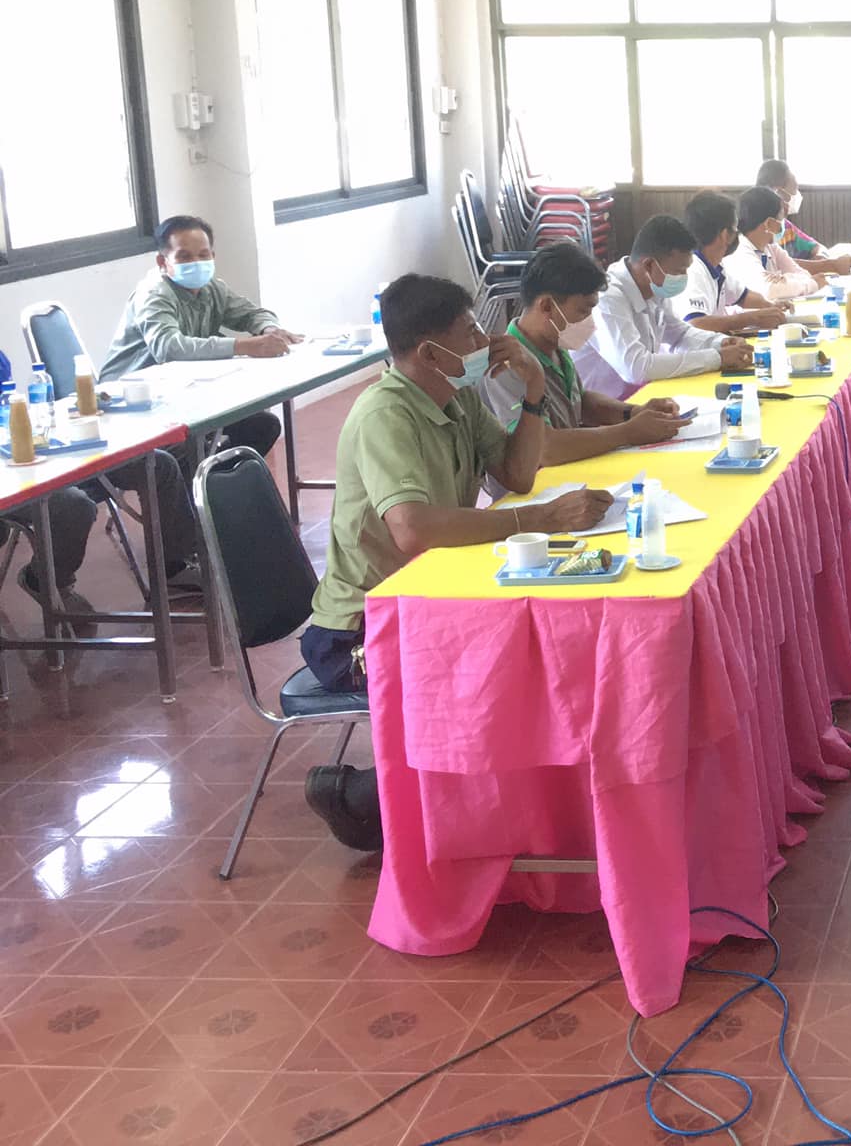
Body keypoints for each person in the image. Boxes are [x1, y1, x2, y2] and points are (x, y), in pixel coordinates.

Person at [299, 273, 612, 849]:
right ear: (429, 353)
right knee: (499, 679)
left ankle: (528, 810)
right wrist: (537, 520)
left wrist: (534, 390)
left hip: (433, 597)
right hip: (361, 631)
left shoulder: (456, 395)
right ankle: (362, 797)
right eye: (470, 332)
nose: (485, 343)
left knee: (536, 655)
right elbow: (414, 529)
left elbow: (516, 474)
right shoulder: (386, 416)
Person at [101, 214, 295, 460]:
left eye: (203, 255)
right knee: (183, 450)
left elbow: (252, 314)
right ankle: (195, 483)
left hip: (183, 395)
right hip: (132, 403)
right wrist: (244, 346)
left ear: (213, 256)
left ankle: (212, 482)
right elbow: (169, 347)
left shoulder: (213, 288)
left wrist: (269, 329)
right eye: (184, 256)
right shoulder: (154, 294)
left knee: (262, 425)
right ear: (162, 261)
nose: (196, 263)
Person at [484, 243, 692, 464]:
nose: (589, 322)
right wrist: (628, 432)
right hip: (538, 483)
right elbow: (545, 449)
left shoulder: (554, 345)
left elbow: (580, 401)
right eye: (583, 311)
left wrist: (633, 412)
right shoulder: (506, 365)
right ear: (546, 306)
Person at [575, 214, 753, 401]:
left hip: (640, 396)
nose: (684, 277)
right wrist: (717, 358)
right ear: (649, 265)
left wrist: (720, 342)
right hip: (605, 408)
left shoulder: (654, 288)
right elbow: (636, 367)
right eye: (679, 271)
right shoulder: (607, 298)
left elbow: (679, 335)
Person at [0, 348, 99, 641]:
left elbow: (6, 394)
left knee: (76, 504)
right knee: (73, 505)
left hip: (15, 463)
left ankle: (46, 580)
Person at [680, 193, 791, 335]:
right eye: (735, 229)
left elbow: (742, 296)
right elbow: (696, 324)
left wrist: (771, 306)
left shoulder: (715, 267)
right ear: (725, 235)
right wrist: (751, 318)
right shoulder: (693, 270)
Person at [755, 160, 851, 277]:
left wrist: (821, 256)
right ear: (778, 193)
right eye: (794, 190)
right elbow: (778, 267)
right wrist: (829, 265)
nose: (797, 195)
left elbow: (817, 247)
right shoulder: (756, 232)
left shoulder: (786, 227)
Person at [727, 186, 820, 302]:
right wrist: (812, 284)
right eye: (781, 218)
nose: (783, 224)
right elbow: (770, 291)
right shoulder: (740, 251)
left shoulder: (771, 247)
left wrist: (785, 279)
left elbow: (804, 274)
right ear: (769, 223)